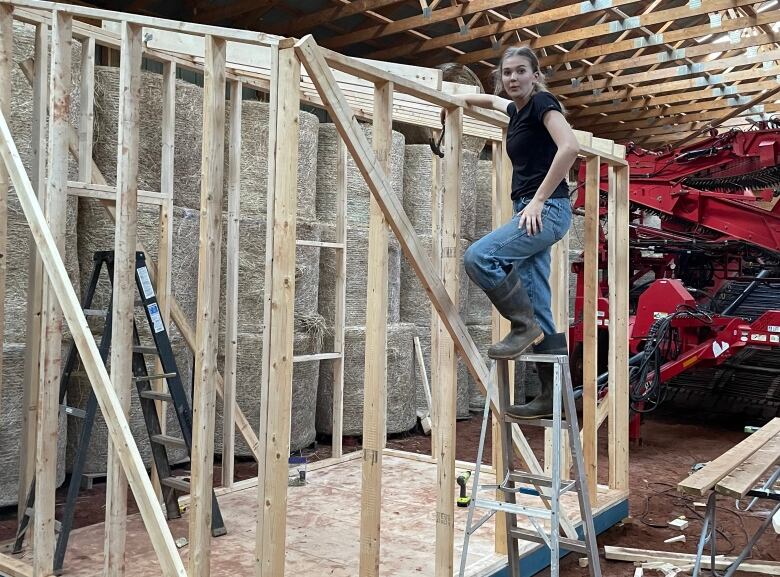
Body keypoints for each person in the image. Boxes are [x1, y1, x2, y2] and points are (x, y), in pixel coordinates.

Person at [446, 46, 579, 419]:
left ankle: (523, 327)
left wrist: (538, 199)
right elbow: (487, 98)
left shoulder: (542, 104)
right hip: (531, 211)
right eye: (507, 73)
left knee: (479, 257)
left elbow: (570, 146)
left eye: (521, 71)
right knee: (539, 301)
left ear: (536, 75)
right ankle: (549, 395)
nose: (513, 78)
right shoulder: (515, 111)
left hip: (546, 209)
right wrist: (448, 95)